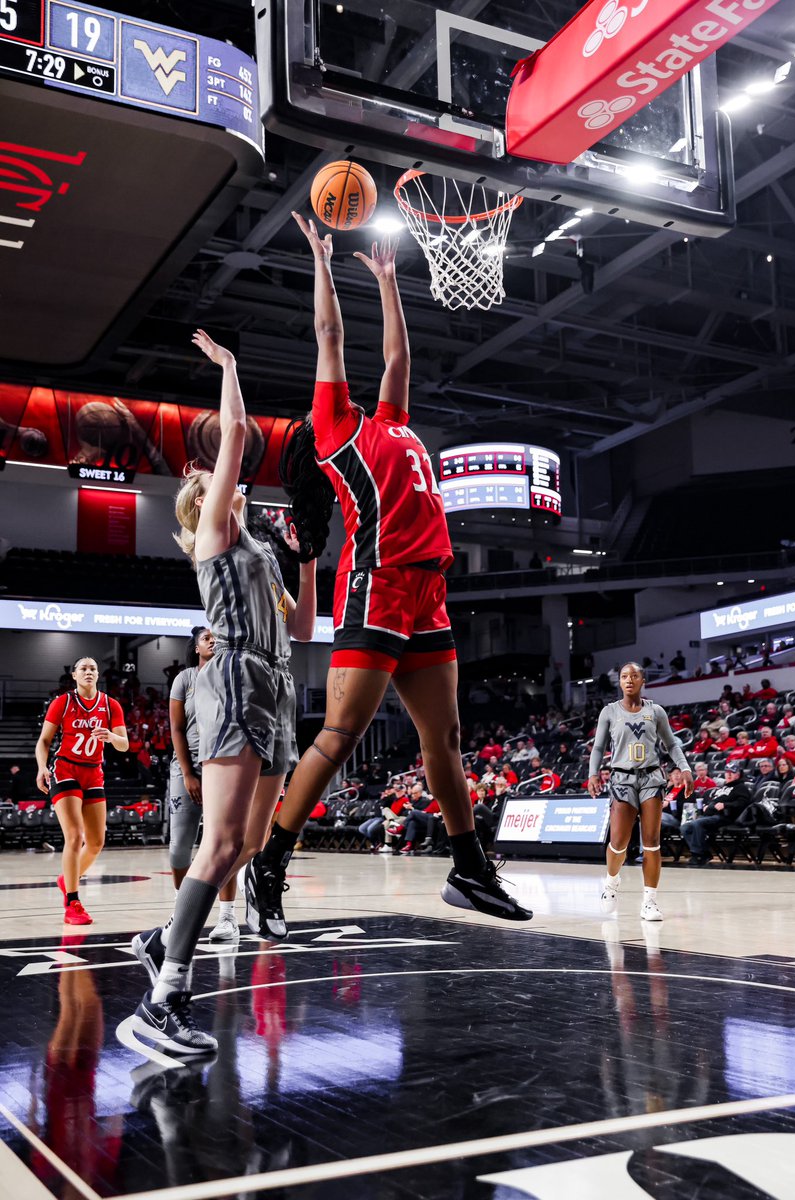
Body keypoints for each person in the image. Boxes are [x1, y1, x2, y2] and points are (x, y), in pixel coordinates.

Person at [238, 215, 531, 940]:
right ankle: (267, 864)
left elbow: (398, 359)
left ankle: (467, 868)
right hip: (376, 585)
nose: (349, 387)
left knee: (449, 736)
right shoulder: (337, 428)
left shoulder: (392, 422)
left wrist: (390, 283)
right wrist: (321, 260)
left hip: (427, 589)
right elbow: (329, 338)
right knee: (339, 735)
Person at [128, 329, 319, 1055]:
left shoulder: (262, 553)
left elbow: (300, 626)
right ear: (200, 505)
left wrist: (304, 561)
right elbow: (235, 429)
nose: (227, 478)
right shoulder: (214, 536)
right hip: (235, 676)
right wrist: (232, 368)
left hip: (274, 679)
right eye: (212, 479)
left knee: (251, 842)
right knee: (217, 845)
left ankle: (159, 937)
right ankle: (164, 997)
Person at [588, 662, 693, 921]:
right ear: (620, 682)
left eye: (634, 676)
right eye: (624, 676)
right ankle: (611, 882)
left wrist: (685, 768)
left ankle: (650, 902)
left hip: (652, 778)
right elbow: (599, 748)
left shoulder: (655, 711)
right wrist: (592, 773)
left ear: (642, 680)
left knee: (652, 843)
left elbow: (671, 743)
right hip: (622, 779)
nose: (629, 680)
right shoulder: (609, 712)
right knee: (619, 843)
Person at [35, 657, 129, 925]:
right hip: (65, 770)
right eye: (83, 668)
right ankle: (72, 902)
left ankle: (67, 880)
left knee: (97, 841)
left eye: (92, 669)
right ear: (74, 675)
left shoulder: (110, 705)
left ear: (98, 675)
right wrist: (42, 767)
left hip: (93, 773)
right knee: (75, 836)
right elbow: (44, 741)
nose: (88, 672)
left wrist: (111, 737)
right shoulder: (63, 702)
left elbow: (124, 745)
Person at [167, 626, 242, 942]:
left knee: (224, 844)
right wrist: (187, 772)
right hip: (188, 768)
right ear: (195, 647)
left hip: (223, 765)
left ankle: (227, 918)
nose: (212, 640)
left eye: (215, 636)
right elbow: (176, 728)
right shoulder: (184, 679)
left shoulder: (231, 675)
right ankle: (182, 913)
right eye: (205, 638)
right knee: (178, 850)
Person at [681, 763, 750, 864]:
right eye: (727, 772)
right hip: (710, 815)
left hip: (725, 817)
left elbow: (743, 803)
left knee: (697, 823)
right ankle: (704, 853)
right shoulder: (723, 788)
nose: (729, 775)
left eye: (732, 773)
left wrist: (725, 805)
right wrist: (707, 805)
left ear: (738, 775)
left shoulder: (741, 787)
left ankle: (697, 854)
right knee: (685, 827)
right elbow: (714, 800)